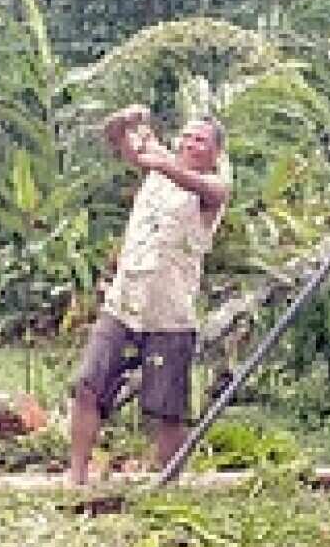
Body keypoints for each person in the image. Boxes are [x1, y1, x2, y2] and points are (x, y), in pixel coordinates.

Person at [66, 106, 231, 486]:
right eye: (187, 136)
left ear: (215, 152)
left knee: (167, 409)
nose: (190, 143)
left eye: (200, 140)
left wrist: (160, 160)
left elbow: (204, 187)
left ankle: (166, 484)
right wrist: (126, 122)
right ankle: (75, 477)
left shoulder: (213, 188)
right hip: (124, 302)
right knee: (88, 385)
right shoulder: (159, 165)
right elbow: (117, 139)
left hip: (170, 312)